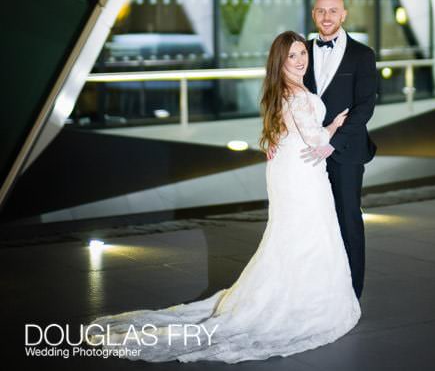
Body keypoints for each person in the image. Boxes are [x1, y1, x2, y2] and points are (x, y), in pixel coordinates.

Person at [85, 31, 361, 364]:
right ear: (280, 61)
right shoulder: (299, 96)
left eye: (303, 53)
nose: (300, 60)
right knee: (308, 235)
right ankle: (306, 303)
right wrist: (334, 126)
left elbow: (279, 133)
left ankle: (291, 293)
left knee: (292, 235)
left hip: (287, 169)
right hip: (302, 172)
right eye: (292, 56)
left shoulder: (279, 92)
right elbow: (316, 139)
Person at [302, 0, 378, 299]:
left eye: (333, 11)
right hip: (307, 152)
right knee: (313, 219)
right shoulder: (301, 52)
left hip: (345, 151)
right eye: (321, 11)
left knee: (348, 218)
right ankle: (318, 288)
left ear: (344, 15)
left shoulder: (363, 54)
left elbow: (364, 108)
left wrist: (333, 142)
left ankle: (351, 293)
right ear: (313, 14)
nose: (327, 16)